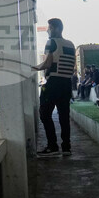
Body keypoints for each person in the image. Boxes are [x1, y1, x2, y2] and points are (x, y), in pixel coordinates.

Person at [32, 18, 76, 157]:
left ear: (57, 28)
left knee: (44, 114)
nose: (47, 30)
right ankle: (66, 147)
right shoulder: (70, 44)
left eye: (49, 28)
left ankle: (52, 146)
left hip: (53, 83)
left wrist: (33, 67)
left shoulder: (51, 42)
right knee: (64, 116)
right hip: (66, 83)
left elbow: (47, 63)